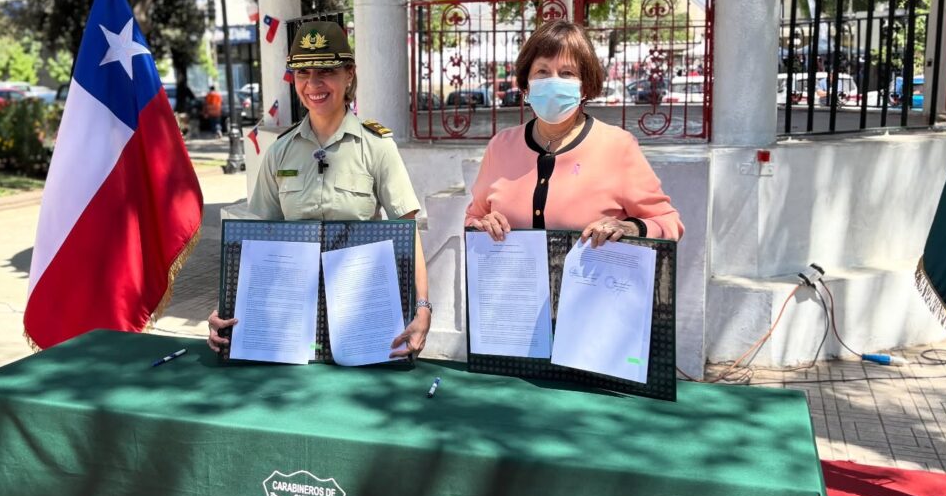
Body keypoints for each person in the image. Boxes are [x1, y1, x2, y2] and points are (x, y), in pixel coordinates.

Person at [208, 21, 431, 359]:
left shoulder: (376, 147)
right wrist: (226, 305)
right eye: (303, 73)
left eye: (326, 70)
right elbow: (255, 241)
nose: (313, 84)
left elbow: (408, 229)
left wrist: (423, 308)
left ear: (349, 74)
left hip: (361, 311)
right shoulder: (279, 151)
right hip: (290, 317)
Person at [466, 20, 683, 246]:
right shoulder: (501, 146)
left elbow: (668, 222)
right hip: (514, 281)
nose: (553, 81)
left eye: (567, 72)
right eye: (542, 71)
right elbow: (473, 218)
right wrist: (482, 225)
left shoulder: (617, 147)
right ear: (526, 86)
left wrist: (629, 227)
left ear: (584, 87)